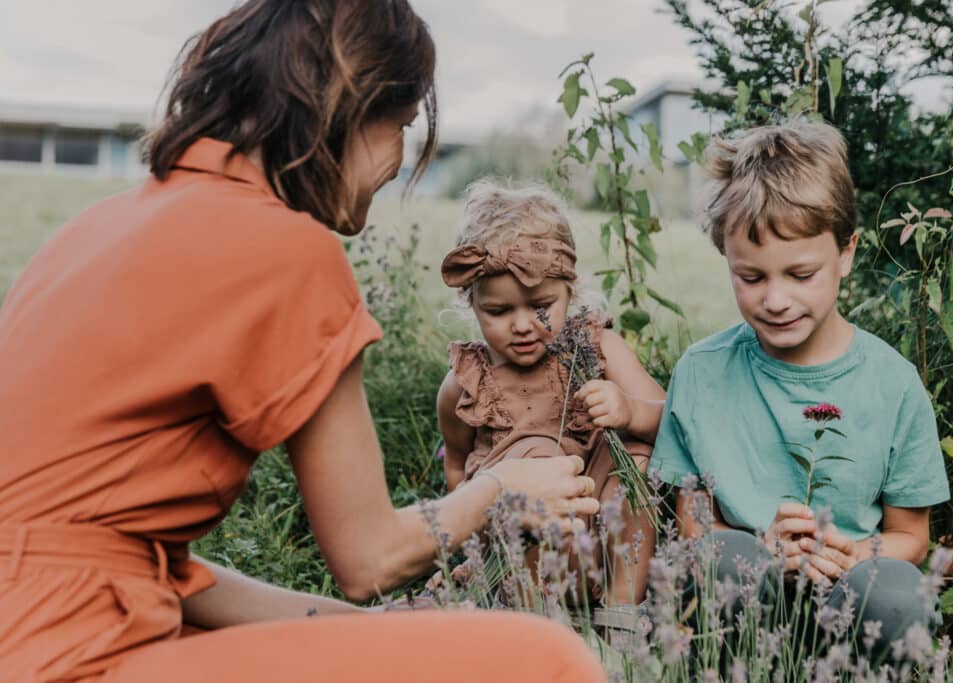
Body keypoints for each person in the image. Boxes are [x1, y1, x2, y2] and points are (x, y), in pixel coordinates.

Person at [0, 2, 606, 681]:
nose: (401, 158)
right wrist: (500, 486)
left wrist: (367, 635)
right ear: (354, 107)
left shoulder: (95, 231)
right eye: (402, 125)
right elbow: (369, 557)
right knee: (546, 660)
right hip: (68, 654)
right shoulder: (285, 251)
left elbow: (153, 569)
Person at [649, 121, 950, 651]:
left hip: (852, 596)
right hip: (747, 603)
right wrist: (761, 550)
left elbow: (912, 536)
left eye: (801, 274)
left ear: (847, 253)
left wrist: (860, 556)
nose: (777, 299)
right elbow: (695, 527)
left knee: (898, 594)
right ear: (727, 260)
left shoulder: (893, 385)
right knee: (720, 563)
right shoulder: (700, 373)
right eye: (752, 277)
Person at [436, 179, 665, 616]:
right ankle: (529, 611)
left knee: (638, 461)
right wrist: (469, 542)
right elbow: (456, 463)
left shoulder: (596, 347)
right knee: (528, 460)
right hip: (523, 537)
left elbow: (673, 421)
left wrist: (629, 409)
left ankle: (621, 614)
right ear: (473, 303)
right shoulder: (466, 382)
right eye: (499, 311)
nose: (523, 325)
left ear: (569, 292)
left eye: (540, 305)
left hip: (599, 523)